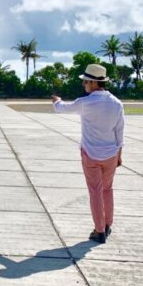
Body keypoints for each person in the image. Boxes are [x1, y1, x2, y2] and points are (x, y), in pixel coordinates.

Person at [51, 63, 124, 244]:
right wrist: (119, 154)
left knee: (95, 192)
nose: (83, 85)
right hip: (111, 154)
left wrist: (57, 101)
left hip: (91, 154)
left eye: (85, 82)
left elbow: (62, 108)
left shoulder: (85, 103)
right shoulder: (117, 103)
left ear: (93, 82)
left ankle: (99, 231)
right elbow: (119, 132)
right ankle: (107, 225)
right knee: (107, 189)